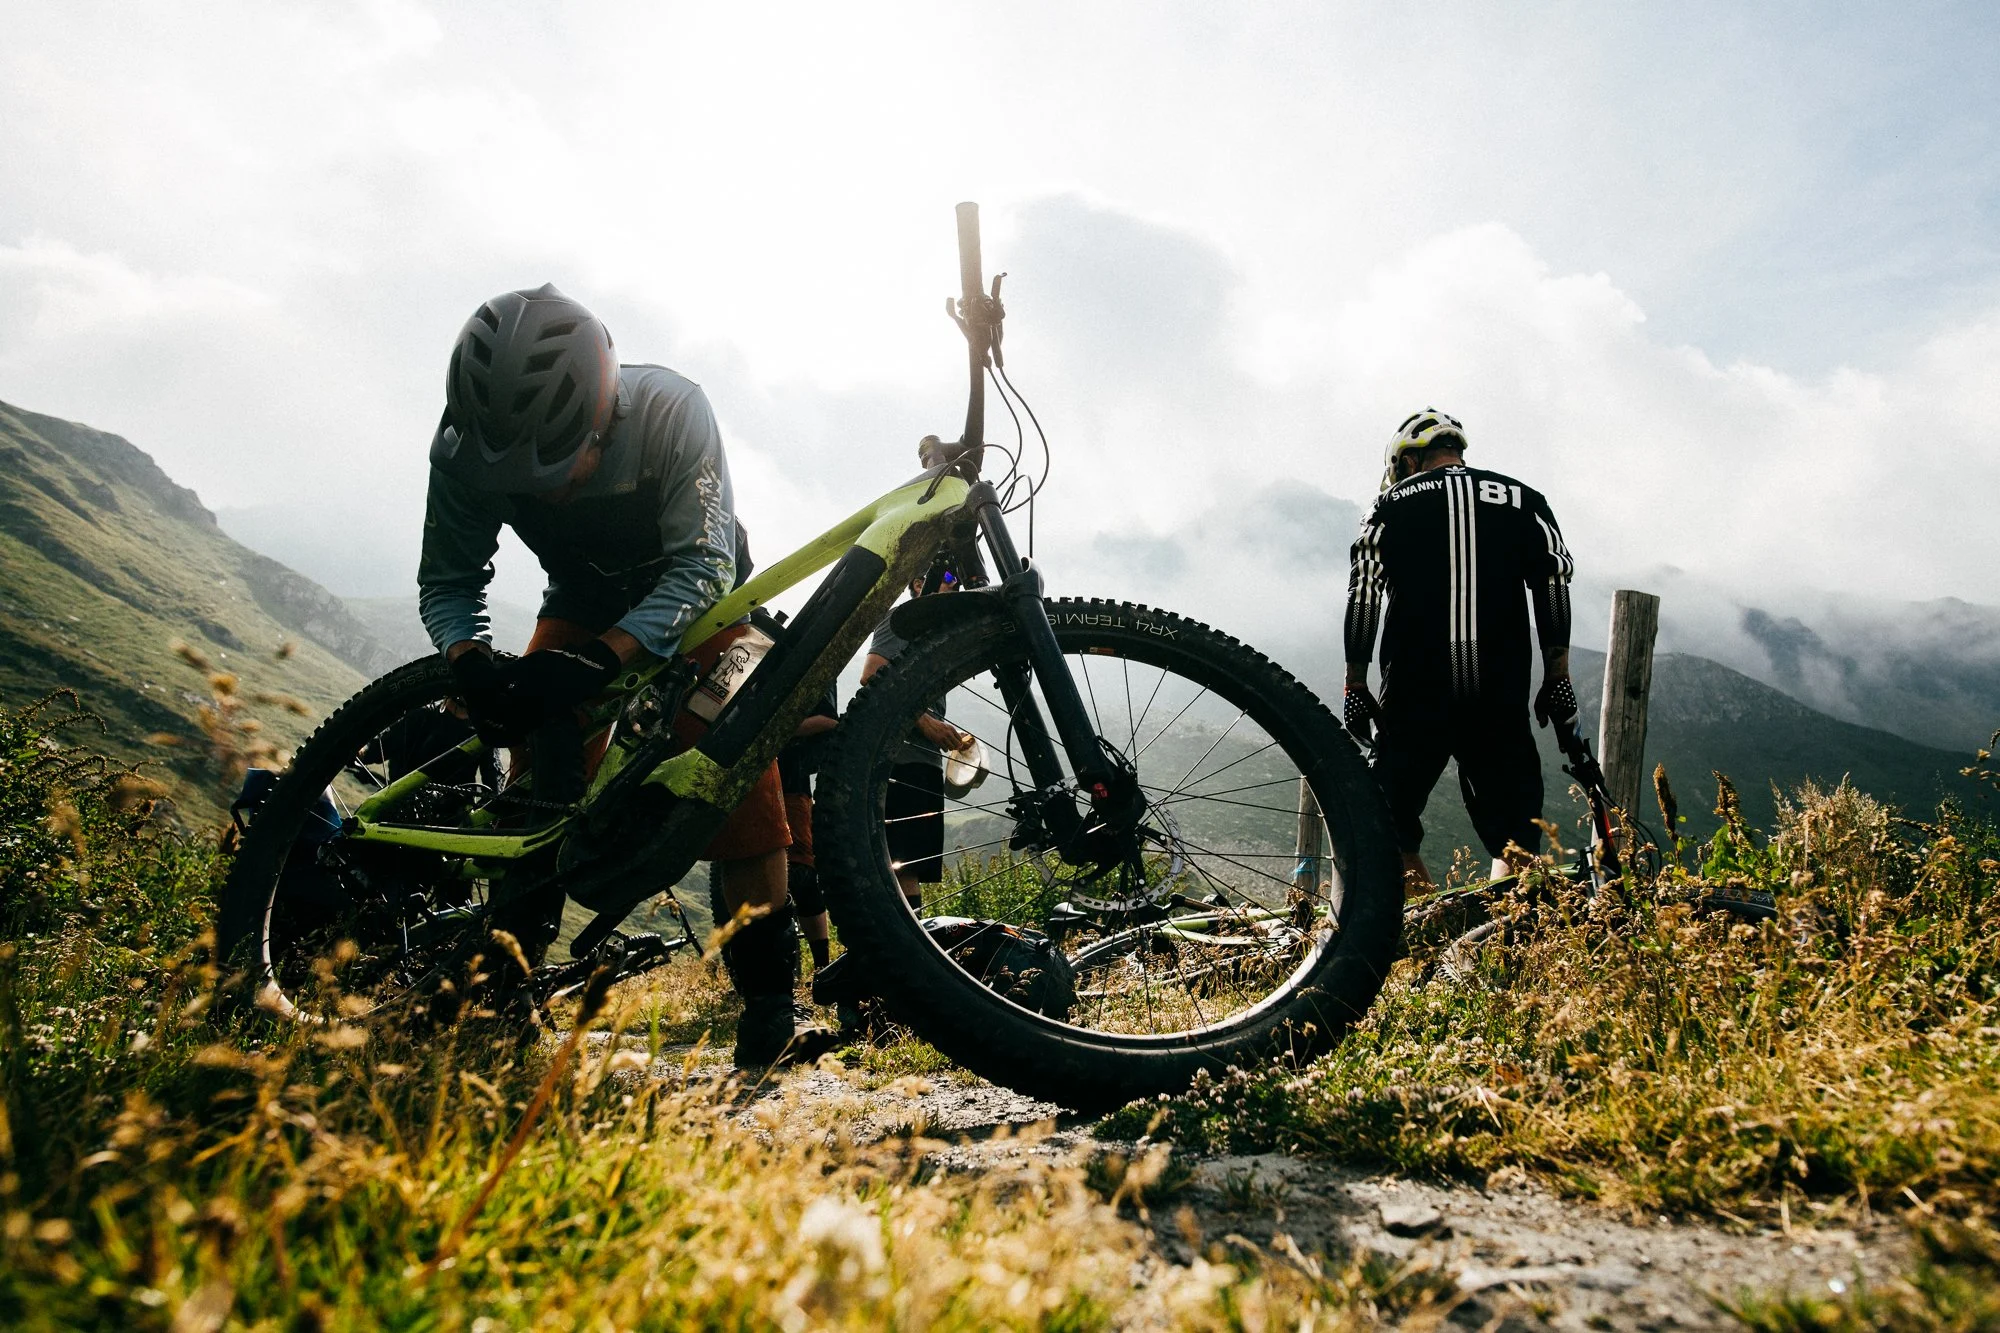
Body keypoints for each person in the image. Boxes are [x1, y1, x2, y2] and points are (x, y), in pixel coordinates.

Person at [416, 282, 812, 1067]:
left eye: (565, 464)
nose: (553, 490)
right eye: (525, 482)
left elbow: (704, 565)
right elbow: (449, 580)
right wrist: (472, 664)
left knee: (737, 782)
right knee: (535, 792)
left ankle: (771, 1002)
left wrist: (604, 660)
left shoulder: (672, 410)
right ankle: (504, 991)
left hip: (702, 600)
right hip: (583, 600)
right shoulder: (463, 447)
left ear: (606, 413)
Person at [1342, 408, 1578, 891]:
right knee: (1517, 837)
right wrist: (1558, 676)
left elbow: (1363, 589)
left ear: (1407, 462)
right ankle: (1509, 942)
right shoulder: (1524, 498)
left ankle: (1427, 936)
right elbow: (1553, 582)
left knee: (1388, 825)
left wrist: (1355, 680)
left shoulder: (1389, 504)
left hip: (1415, 691)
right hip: (1499, 691)